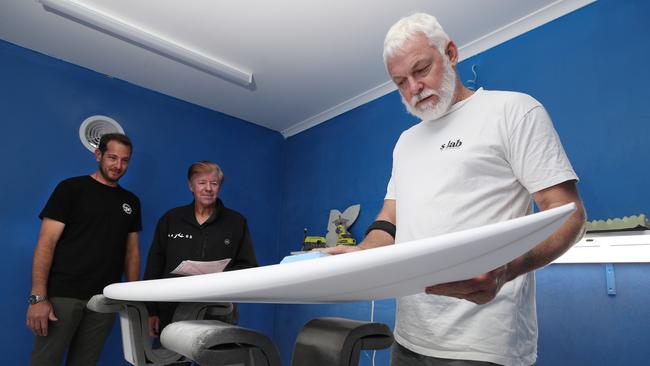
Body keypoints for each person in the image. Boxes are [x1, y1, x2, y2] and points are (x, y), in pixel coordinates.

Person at [322, 13, 586, 366]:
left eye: (421, 69)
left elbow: (570, 216)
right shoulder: (406, 142)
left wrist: (505, 271)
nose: (413, 88)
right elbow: (390, 217)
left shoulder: (513, 111)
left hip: (483, 346)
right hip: (408, 338)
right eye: (400, 81)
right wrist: (366, 251)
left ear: (450, 52)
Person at [26, 133, 141, 366]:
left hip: (105, 299)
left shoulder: (131, 201)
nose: (118, 165)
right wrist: (38, 298)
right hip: (63, 296)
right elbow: (46, 243)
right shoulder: (71, 189)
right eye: (112, 157)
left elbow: (132, 253)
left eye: (125, 160)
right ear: (98, 155)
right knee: (45, 362)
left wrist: (132, 297)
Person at [143, 161, 258, 339]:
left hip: (218, 310)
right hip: (171, 310)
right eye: (202, 183)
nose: (208, 188)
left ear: (219, 187)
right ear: (191, 186)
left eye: (214, 183)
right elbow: (154, 265)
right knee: (169, 361)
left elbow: (248, 266)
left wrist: (220, 277)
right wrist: (151, 311)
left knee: (218, 358)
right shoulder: (171, 219)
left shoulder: (236, 222)